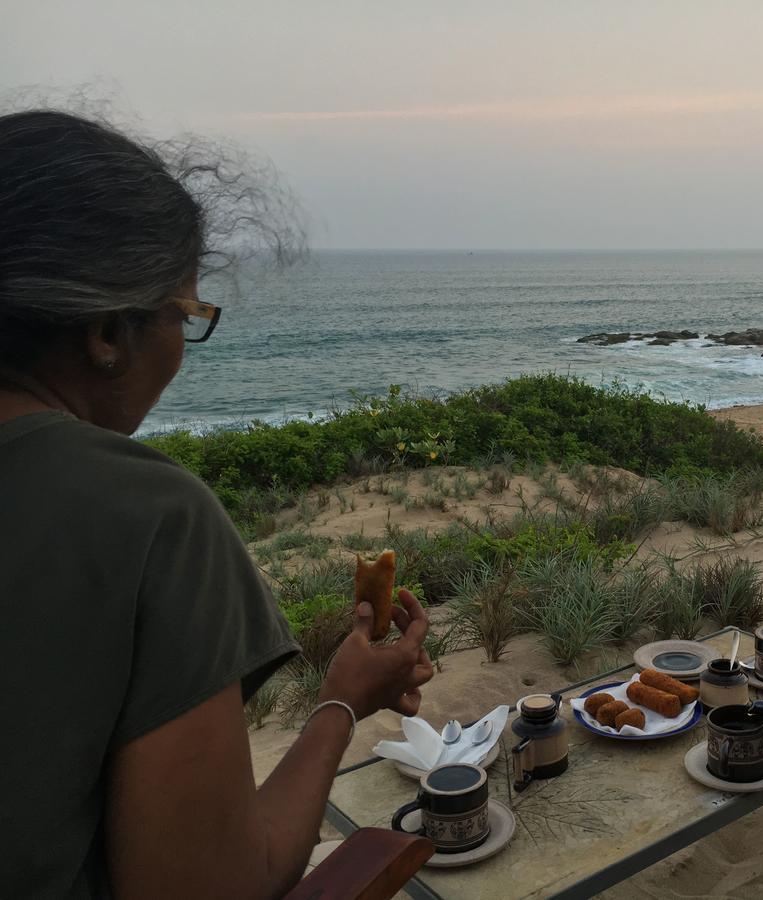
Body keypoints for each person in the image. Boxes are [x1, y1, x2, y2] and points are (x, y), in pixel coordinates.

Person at [0, 109, 436, 899]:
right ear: (106, 330)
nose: (182, 347)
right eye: (187, 316)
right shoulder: (149, 516)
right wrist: (341, 701)